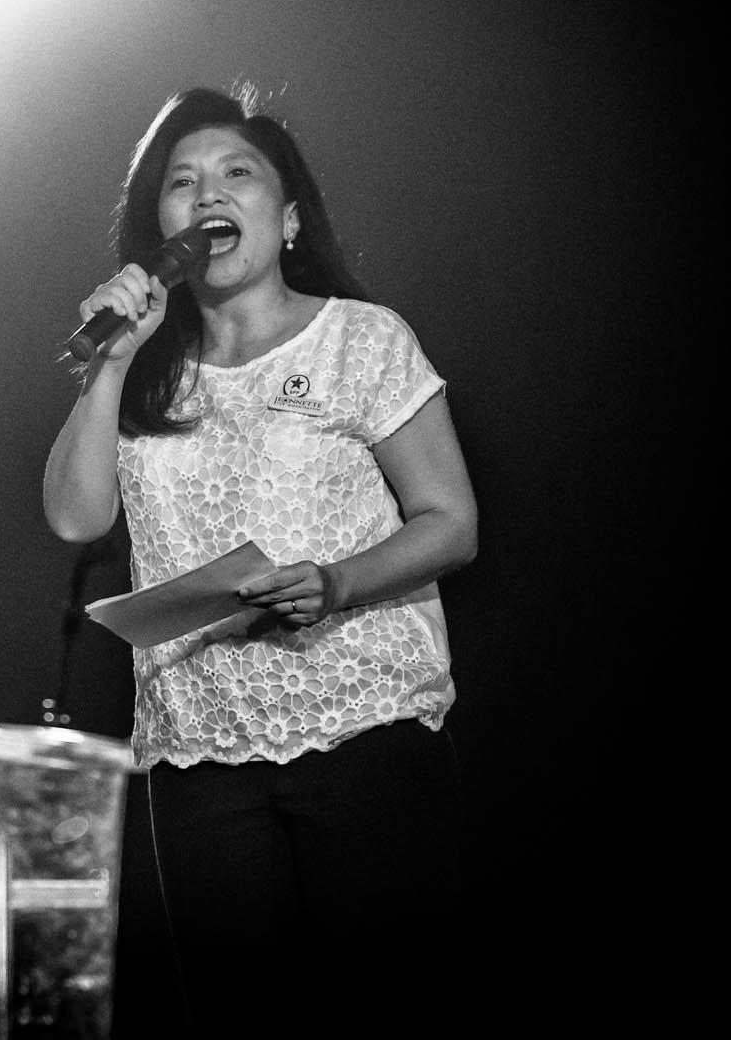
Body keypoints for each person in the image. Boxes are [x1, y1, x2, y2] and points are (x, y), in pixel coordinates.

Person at [42, 86, 478, 1036]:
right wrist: (111, 362)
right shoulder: (147, 369)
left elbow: (450, 520)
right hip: (197, 753)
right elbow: (77, 519)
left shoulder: (361, 339)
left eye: (237, 173)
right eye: (182, 182)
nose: (207, 194)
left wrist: (338, 582)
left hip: (362, 725)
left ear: (284, 220)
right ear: (159, 226)